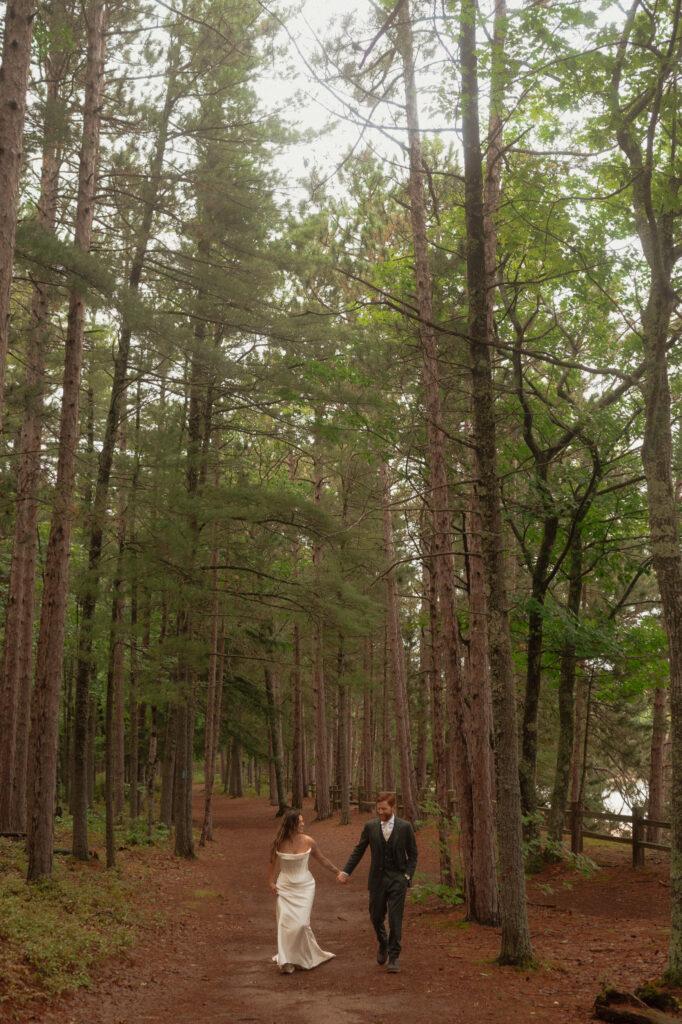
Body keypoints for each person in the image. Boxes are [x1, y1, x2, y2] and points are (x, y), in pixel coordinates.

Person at [337, 791, 417, 974]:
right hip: (377, 880)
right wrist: (346, 871)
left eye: (384, 809)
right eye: (378, 809)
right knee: (376, 916)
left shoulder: (405, 827)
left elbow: (413, 854)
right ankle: (383, 941)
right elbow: (359, 850)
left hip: (398, 879)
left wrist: (407, 876)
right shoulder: (370, 826)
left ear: (393, 807)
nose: (380, 812)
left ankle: (394, 956)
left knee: (395, 919)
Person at [268, 809, 340, 974]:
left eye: (302, 821)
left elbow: (322, 859)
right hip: (285, 887)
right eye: (299, 822)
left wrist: (338, 872)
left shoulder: (309, 841)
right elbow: (271, 861)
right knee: (285, 923)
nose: (302, 824)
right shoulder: (278, 842)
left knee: (301, 924)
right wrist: (271, 882)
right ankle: (286, 960)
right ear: (290, 824)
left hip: (305, 886)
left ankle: (304, 956)